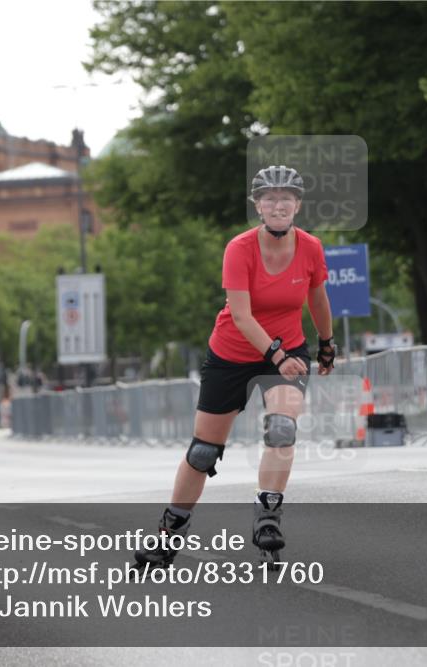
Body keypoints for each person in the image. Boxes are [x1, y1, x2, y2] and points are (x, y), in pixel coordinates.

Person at [134, 165, 336, 569]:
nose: (278, 204)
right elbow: (241, 317)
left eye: (286, 198)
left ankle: (267, 518)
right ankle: (168, 534)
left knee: (282, 428)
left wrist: (326, 343)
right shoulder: (240, 249)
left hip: (288, 351)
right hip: (232, 353)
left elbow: (317, 299)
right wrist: (275, 355)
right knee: (204, 452)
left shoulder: (311, 247)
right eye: (269, 198)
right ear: (258, 206)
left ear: (297, 204)